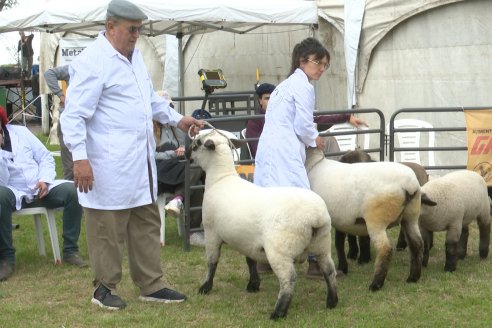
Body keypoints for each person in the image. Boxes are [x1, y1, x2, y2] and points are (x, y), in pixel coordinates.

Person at [61, 0, 204, 310]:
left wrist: (178, 119)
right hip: (106, 164)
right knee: (106, 229)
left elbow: (149, 101)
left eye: (139, 30)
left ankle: (152, 284)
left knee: (146, 224)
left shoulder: (134, 57)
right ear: (110, 27)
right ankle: (104, 288)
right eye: (131, 30)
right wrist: (81, 159)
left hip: (139, 164)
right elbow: (72, 117)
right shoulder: (93, 62)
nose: (136, 35)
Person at [253, 37, 366, 278]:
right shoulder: (303, 87)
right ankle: (315, 263)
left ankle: (265, 260)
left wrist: (342, 118)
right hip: (285, 152)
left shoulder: (284, 86)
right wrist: (314, 139)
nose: (322, 69)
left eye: (325, 64)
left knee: (269, 203)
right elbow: (304, 124)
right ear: (303, 61)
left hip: (269, 150)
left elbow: (303, 120)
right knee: (305, 204)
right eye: (319, 63)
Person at [0, 105, 86, 281]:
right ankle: (6, 258)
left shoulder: (21, 132)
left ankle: (70, 250)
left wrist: (45, 180)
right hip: (11, 191)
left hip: (39, 187)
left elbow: (45, 156)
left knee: (72, 191)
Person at [246, 82, 365, 159]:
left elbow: (317, 119)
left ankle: (338, 176)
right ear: (260, 101)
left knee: (329, 140)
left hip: (298, 150)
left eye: (274, 97)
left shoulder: (286, 113)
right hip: (282, 157)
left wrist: (346, 117)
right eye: (267, 98)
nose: (272, 101)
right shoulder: (255, 122)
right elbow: (259, 151)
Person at [44, 65, 73, 180]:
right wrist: (61, 95)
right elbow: (48, 73)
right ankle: (70, 195)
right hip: (68, 120)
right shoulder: (76, 67)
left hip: (91, 123)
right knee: (70, 167)